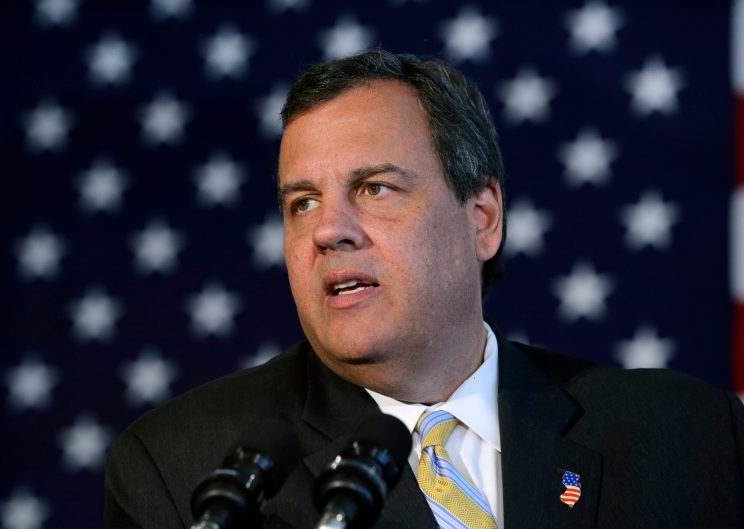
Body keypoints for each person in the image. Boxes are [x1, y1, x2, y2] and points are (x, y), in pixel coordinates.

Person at [105, 49, 744, 529]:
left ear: (482, 218)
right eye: (302, 202)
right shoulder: (189, 470)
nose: (328, 230)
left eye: (375, 188)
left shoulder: (688, 436)